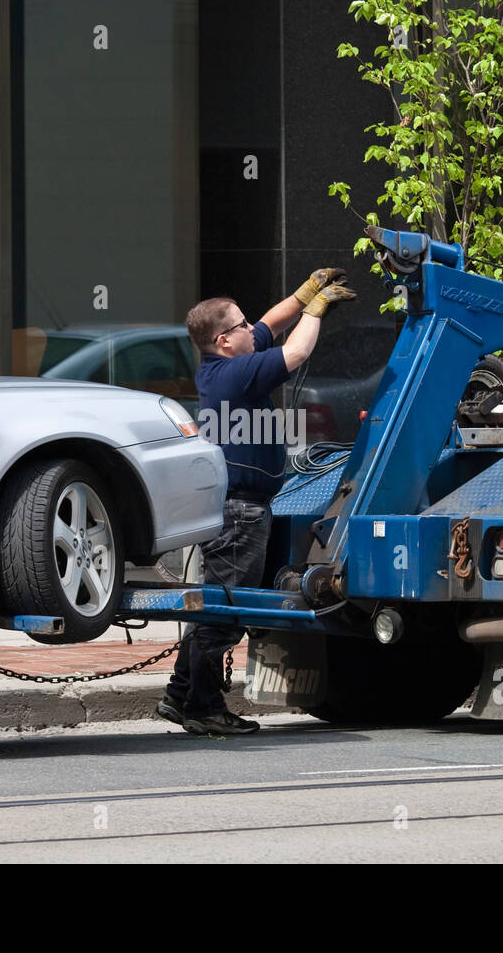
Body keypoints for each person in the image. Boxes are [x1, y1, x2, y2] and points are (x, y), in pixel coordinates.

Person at [158, 269, 356, 734]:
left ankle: (178, 696)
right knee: (225, 615)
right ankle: (204, 709)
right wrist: (316, 309)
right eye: (241, 325)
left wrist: (301, 295)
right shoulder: (235, 374)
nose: (252, 330)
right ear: (224, 340)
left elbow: (270, 325)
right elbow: (297, 350)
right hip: (240, 512)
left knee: (212, 606)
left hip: (234, 508)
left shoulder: (226, 364)